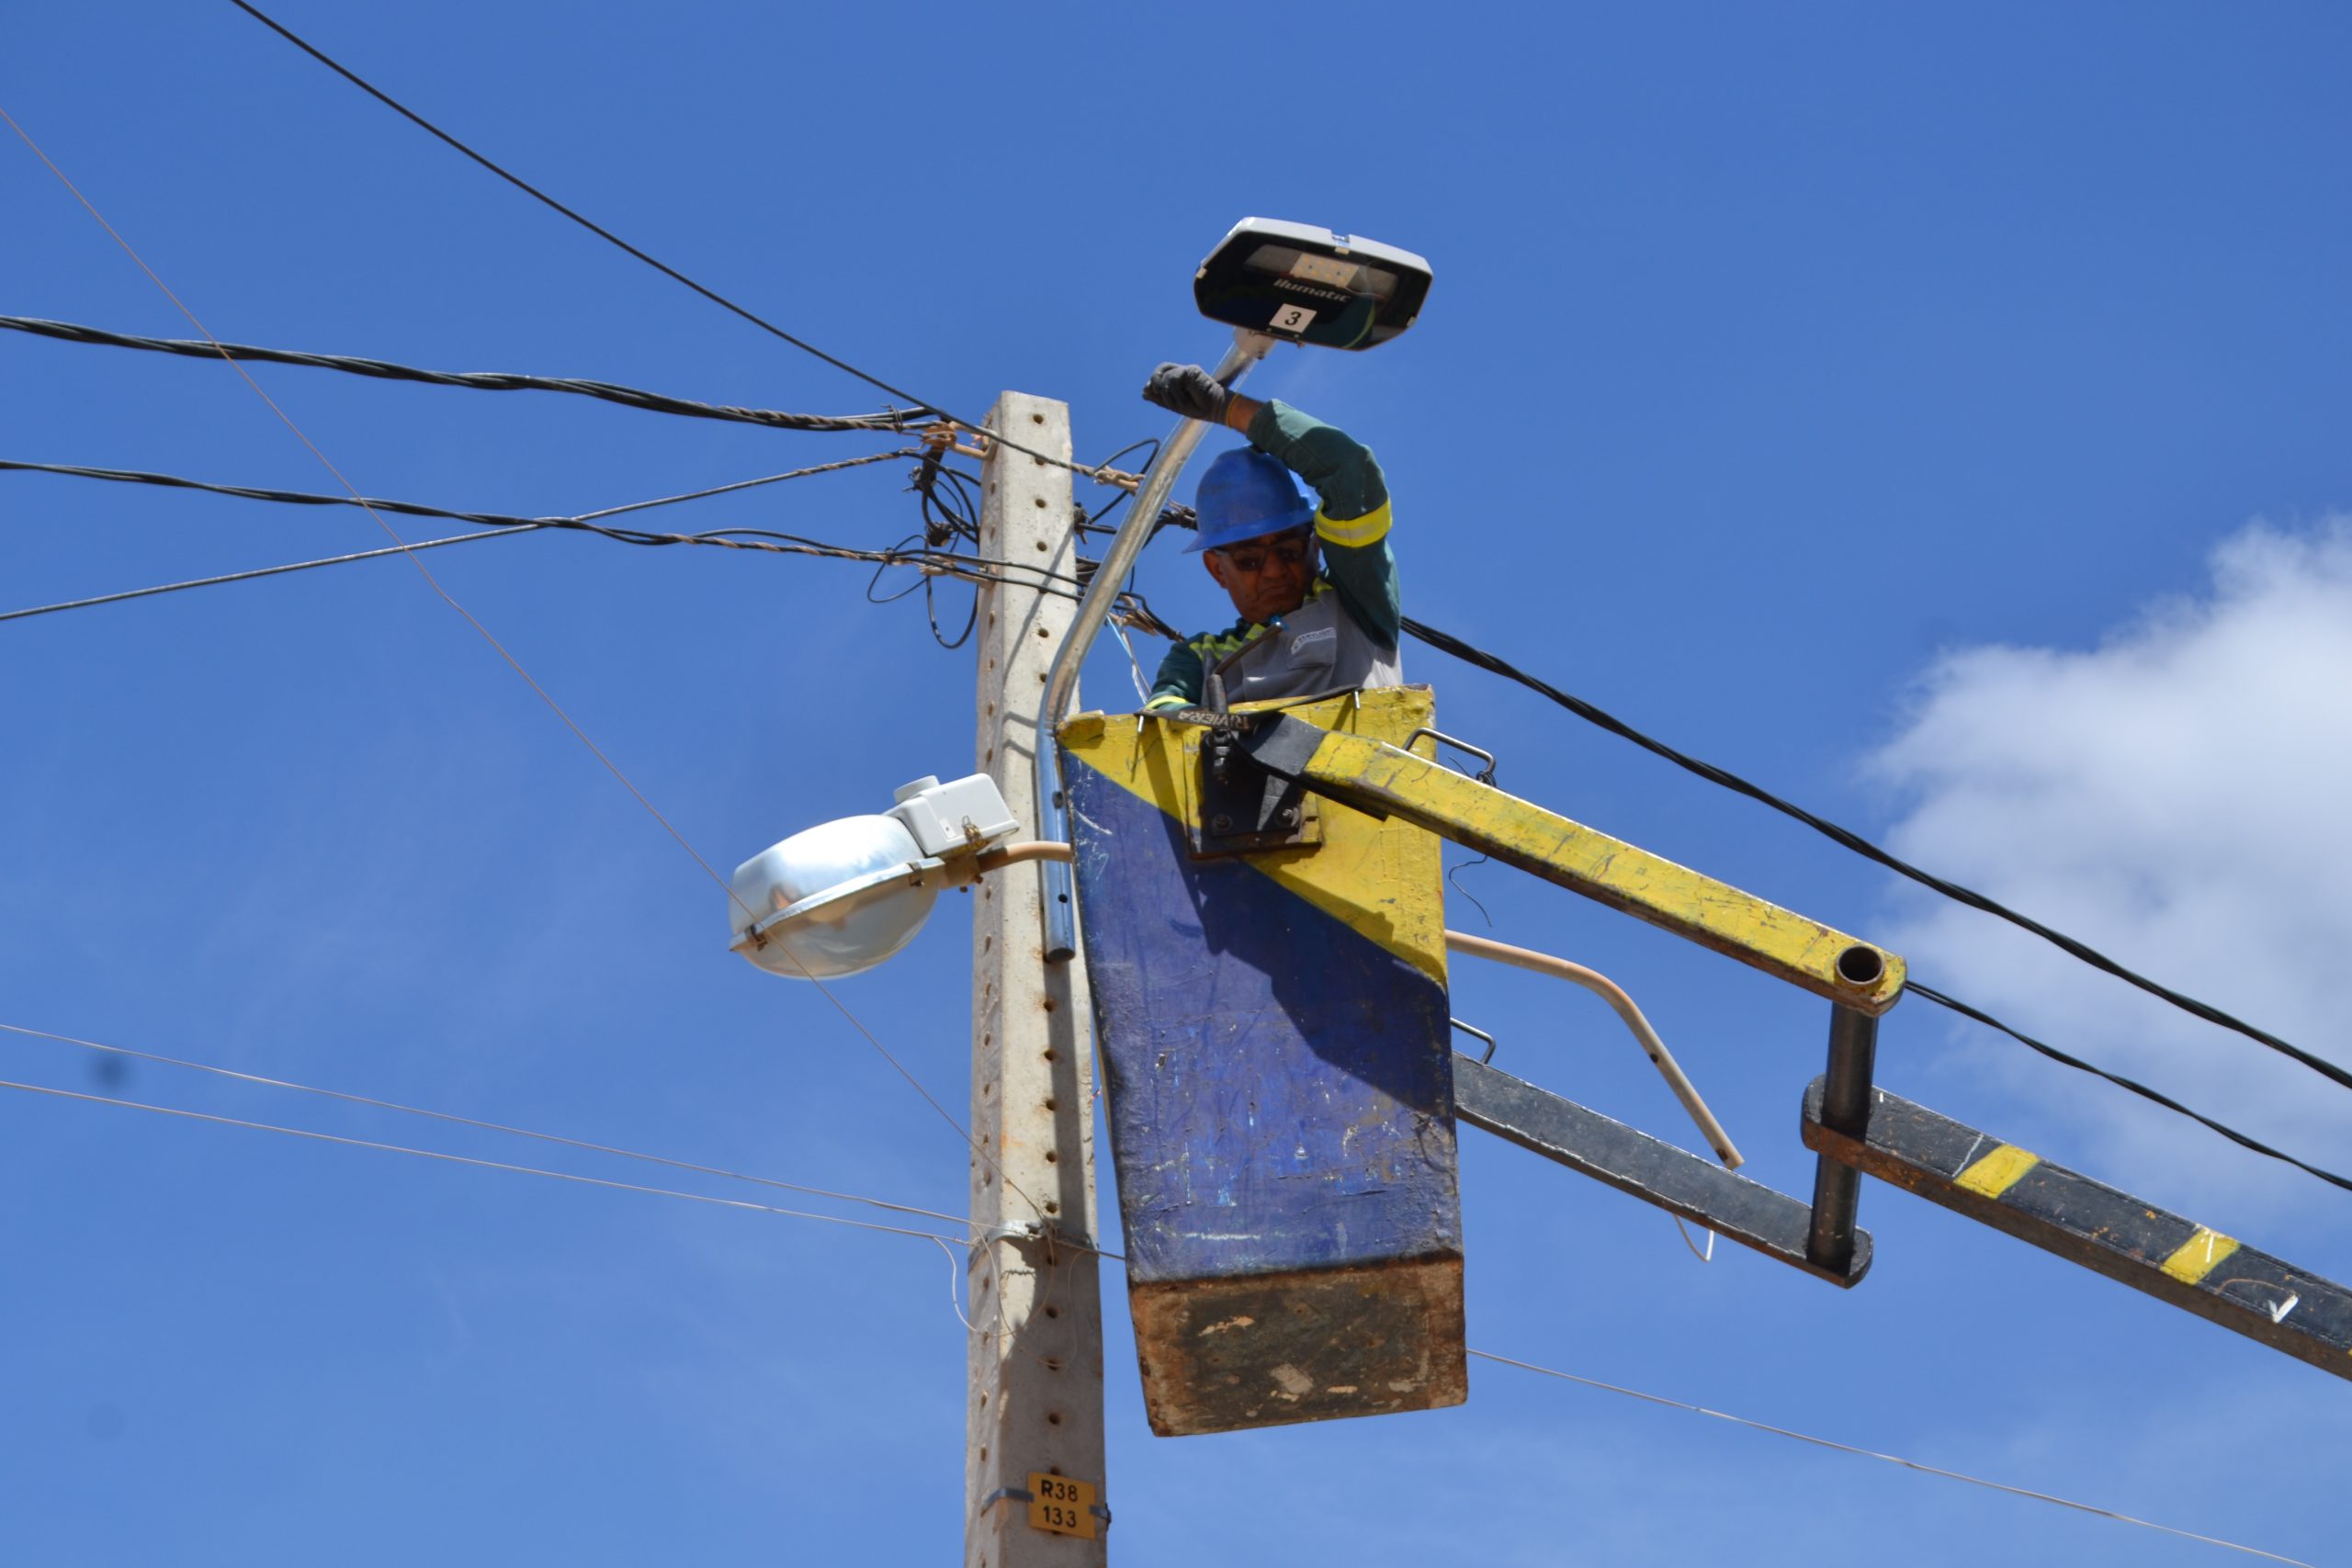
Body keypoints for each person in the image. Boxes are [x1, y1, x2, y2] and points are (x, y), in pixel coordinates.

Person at [1136, 363, 1403, 712]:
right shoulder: (1199, 660)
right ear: (1217, 570)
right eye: (1249, 561)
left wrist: (1227, 407)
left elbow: (1349, 470)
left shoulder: (1355, 600)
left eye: (1290, 552)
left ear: (1316, 545)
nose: (1275, 571)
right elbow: (1161, 724)